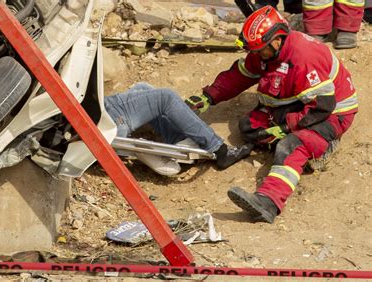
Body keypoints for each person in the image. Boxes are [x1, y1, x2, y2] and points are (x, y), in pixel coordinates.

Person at [185, 6, 358, 223]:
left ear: (277, 39)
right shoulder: (266, 50)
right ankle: (289, 143)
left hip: (331, 113)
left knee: (291, 145)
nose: (256, 56)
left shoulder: (304, 57)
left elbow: (322, 106)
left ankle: (268, 202)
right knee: (248, 126)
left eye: (260, 50)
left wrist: (286, 128)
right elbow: (240, 75)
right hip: (299, 102)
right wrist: (208, 97)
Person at [104, 83, 253, 176]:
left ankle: (181, 142)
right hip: (109, 119)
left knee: (143, 88)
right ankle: (220, 151)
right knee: (166, 97)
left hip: (104, 112)